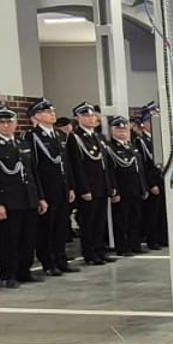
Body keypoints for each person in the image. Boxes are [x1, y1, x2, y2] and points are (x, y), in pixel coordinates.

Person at [0, 105, 42, 285]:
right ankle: (9, 274)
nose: (6, 125)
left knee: (28, 238)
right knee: (9, 240)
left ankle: (24, 271)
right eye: (2, 122)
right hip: (8, 201)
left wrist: (40, 197)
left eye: (9, 122)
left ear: (16, 124)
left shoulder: (22, 144)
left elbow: (32, 172)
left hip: (28, 198)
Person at [24, 100, 74, 276]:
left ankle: (61, 259)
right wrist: (40, 195)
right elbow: (33, 167)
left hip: (62, 187)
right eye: (47, 112)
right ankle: (48, 261)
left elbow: (66, 163)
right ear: (36, 116)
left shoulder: (59, 135)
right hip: (46, 188)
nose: (52, 114)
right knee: (47, 227)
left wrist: (70, 187)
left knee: (61, 225)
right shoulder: (32, 136)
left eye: (53, 111)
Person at [69, 102, 114, 263]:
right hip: (89, 187)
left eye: (93, 115)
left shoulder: (98, 137)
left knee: (100, 221)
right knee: (89, 222)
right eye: (86, 116)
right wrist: (84, 188)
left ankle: (100, 250)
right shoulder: (75, 138)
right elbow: (77, 166)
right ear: (78, 118)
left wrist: (110, 185)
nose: (91, 118)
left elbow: (106, 165)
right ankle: (89, 253)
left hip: (101, 185)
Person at [106, 115, 145, 255]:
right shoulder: (110, 148)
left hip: (135, 188)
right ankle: (123, 247)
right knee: (122, 220)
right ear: (112, 131)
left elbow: (139, 169)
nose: (122, 132)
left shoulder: (131, 146)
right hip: (122, 189)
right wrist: (114, 190)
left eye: (124, 129)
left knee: (135, 218)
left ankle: (134, 244)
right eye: (119, 129)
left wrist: (143, 187)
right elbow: (110, 171)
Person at [134, 103, 167, 250]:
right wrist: (151, 183)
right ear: (145, 124)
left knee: (162, 211)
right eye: (152, 122)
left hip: (162, 178)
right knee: (152, 213)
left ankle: (162, 237)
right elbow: (144, 166)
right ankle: (152, 239)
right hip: (153, 181)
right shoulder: (141, 141)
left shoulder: (158, 139)